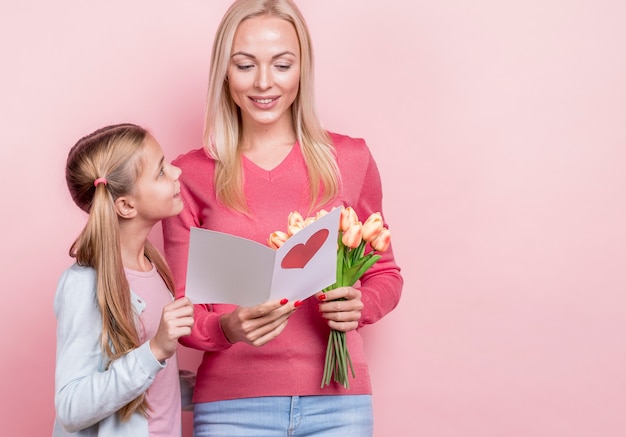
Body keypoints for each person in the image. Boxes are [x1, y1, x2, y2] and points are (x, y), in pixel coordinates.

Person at [162, 0, 403, 435]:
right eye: (245, 64)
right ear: (224, 71)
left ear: (301, 70)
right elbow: (184, 314)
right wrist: (227, 328)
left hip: (338, 404)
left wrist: (360, 305)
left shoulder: (349, 159)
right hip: (232, 408)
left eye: (282, 64)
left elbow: (385, 273)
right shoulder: (191, 176)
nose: (263, 83)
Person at [53, 123, 195, 436]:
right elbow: (71, 407)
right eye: (160, 172)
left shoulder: (152, 267)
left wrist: (212, 389)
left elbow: (152, 390)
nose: (176, 173)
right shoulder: (85, 285)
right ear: (126, 205)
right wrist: (155, 349)